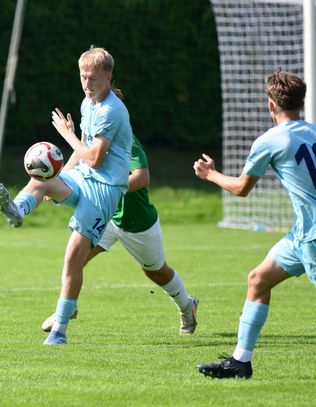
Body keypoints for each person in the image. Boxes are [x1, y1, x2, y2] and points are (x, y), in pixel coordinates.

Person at [0, 46, 133, 345]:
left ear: (108, 78)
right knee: (41, 179)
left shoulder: (111, 110)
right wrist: (59, 178)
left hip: (105, 189)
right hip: (84, 177)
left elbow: (94, 158)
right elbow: (83, 149)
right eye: (83, 77)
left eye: (93, 78)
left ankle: (59, 332)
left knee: (72, 259)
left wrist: (66, 133)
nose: (87, 83)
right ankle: (18, 209)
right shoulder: (88, 103)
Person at [194, 68, 316, 379]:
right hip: (301, 234)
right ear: (301, 103)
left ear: (271, 105)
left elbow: (241, 188)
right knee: (258, 279)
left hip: (312, 235)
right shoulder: (313, 132)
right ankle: (240, 362)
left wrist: (210, 174)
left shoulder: (271, 140)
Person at [41, 135, 199, 335]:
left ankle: (187, 306)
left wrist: (109, 189)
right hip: (104, 216)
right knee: (74, 259)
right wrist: (58, 182)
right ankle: (65, 309)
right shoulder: (93, 133)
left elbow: (142, 178)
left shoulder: (127, 140)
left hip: (137, 222)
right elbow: (80, 154)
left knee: (156, 272)